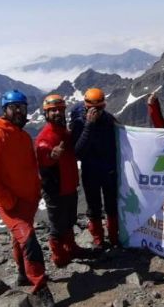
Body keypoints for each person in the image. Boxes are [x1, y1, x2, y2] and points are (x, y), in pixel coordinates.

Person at [0, 90, 54, 306]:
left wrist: (36, 190)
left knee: (19, 239)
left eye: (22, 107)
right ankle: (40, 287)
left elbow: (29, 167)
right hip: (10, 204)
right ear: (5, 110)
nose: (19, 112)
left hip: (28, 201)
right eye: (14, 108)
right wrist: (9, 201)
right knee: (29, 239)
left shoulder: (22, 136)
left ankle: (22, 275)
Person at [35, 94, 88, 268]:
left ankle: (70, 247)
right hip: (55, 189)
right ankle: (58, 256)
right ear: (46, 113)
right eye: (53, 110)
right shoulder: (45, 137)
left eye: (60, 110)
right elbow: (43, 157)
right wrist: (52, 156)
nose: (57, 113)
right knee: (57, 225)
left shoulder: (63, 132)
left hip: (69, 185)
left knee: (70, 219)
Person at [71, 87, 119, 249]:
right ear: (86, 107)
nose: (96, 111)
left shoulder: (108, 120)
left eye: (99, 107)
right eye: (92, 108)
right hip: (90, 170)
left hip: (108, 169)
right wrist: (89, 126)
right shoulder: (79, 123)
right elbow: (78, 152)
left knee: (112, 204)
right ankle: (98, 238)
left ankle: (114, 236)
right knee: (94, 206)